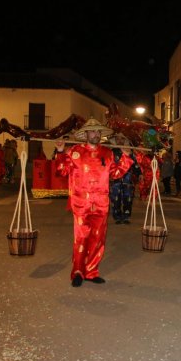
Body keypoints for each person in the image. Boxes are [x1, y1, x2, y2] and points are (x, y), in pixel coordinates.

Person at [55, 118, 133, 287]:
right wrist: (60, 152)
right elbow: (62, 171)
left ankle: (91, 271)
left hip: (101, 204)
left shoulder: (108, 153)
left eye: (98, 131)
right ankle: (78, 272)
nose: (96, 134)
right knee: (81, 239)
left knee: (98, 240)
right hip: (81, 203)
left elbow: (116, 174)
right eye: (92, 131)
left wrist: (126, 157)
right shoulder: (74, 151)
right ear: (85, 134)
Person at [108, 133, 141, 225]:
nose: (119, 140)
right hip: (115, 180)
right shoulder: (111, 151)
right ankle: (117, 217)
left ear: (125, 140)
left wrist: (139, 173)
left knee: (128, 199)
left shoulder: (129, 151)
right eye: (117, 139)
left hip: (128, 180)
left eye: (122, 138)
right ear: (115, 140)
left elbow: (135, 164)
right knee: (115, 199)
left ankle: (126, 217)